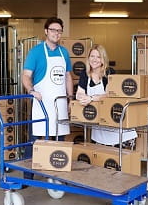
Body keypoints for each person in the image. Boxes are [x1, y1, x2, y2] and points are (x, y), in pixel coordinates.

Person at [22, 17, 73, 183]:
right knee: (36, 142)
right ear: (46, 31)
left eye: (59, 31)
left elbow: (67, 77)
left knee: (60, 141)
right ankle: (28, 177)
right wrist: (31, 90)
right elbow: (26, 76)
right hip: (41, 104)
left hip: (59, 104)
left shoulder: (64, 52)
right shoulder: (35, 52)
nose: (56, 33)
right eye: (53, 30)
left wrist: (70, 98)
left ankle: (58, 175)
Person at [76, 44, 137, 147]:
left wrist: (90, 98)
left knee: (121, 160)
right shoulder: (85, 74)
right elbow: (79, 93)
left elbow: (109, 94)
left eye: (98, 57)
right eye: (92, 56)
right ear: (88, 58)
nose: (95, 59)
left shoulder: (109, 72)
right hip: (99, 128)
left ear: (103, 59)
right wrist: (82, 98)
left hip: (116, 126)